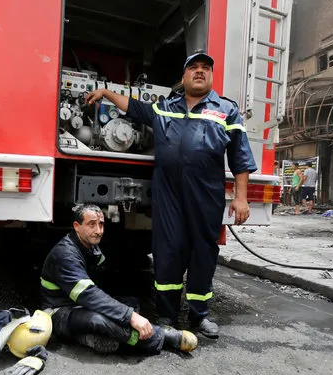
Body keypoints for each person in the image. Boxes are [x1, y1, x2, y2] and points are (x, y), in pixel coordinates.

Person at [84, 52, 257, 338]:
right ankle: (166, 313)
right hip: (169, 197)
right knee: (168, 253)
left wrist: (241, 197)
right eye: (193, 68)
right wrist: (106, 93)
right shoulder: (165, 108)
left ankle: (200, 316)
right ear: (183, 77)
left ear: (211, 76)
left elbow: (240, 156)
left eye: (205, 68)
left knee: (203, 253)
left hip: (206, 196)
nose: (199, 72)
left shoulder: (226, 110)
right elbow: (136, 108)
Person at [40, 204, 197, 355]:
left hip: (80, 305)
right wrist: (130, 317)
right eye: (91, 224)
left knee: (130, 303)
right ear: (76, 226)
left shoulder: (89, 245)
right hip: (59, 312)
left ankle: (96, 335)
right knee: (99, 319)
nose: (98, 231)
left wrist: (125, 313)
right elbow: (88, 295)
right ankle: (160, 337)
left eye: (101, 225)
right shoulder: (65, 255)